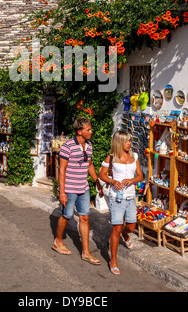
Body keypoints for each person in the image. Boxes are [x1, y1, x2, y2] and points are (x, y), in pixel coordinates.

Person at [52, 116, 103, 265]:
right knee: (67, 215)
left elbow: (90, 166)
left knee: (85, 217)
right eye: (88, 129)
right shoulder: (67, 146)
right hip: (69, 188)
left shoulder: (89, 146)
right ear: (79, 131)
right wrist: (62, 192)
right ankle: (58, 241)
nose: (91, 131)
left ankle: (85, 252)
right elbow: (62, 170)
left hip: (83, 188)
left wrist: (97, 183)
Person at [99, 130, 143, 275]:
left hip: (130, 198)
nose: (129, 143)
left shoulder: (134, 157)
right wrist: (112, 181)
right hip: (116, 198)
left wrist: (132, 180)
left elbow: (140, 176)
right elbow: (102, 174)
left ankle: (126, 234)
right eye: (126, 141)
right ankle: (113, 260)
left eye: (129, 140)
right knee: (116, 229)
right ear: (119, 143)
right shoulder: (111, 158)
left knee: (131, 227)